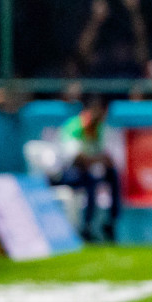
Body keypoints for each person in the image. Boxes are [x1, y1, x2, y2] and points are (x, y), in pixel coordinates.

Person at [53, 93, 121, 243]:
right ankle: (87, 228)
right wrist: (97, 159)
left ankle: (110, 224)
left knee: (113, 176)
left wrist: (99, 160)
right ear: (94, 110)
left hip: (88, 170)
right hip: (65, 173)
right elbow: (78, 159)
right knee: (91, 181)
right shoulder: (74, 127)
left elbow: (106, 158)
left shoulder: (99, 129)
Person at [76, 0, 149, 79]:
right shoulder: (94, 0)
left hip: (129, 73)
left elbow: (143, 51)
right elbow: (82, 51)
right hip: (100, 73)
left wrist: (134, 11)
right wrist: (95, 21)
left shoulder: (130, 14)